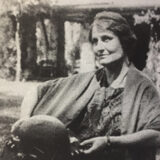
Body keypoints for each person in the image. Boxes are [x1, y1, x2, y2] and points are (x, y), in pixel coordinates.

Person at [20, 11, 160, 160]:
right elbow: (36, 91)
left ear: (124, 42)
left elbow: (157, 134)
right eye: (95, 41)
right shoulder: (89, 80)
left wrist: (109, 142)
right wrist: (23, 125)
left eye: (106, 39)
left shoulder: (142, 87)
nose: (99, 47)